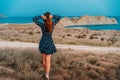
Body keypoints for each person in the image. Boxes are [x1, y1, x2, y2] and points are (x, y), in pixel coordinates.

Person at [32, 12, 61, 80]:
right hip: (49, 42)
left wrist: (41, 16)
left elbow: (34, 19)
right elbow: (59, 17)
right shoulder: (52, 25)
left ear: (44, 18)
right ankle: (47, 75)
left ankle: (45, 73)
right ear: (50, 18)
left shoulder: (42, 25)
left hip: (43, 42)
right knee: (48, 60)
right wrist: (52, 16)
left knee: (44, 60)